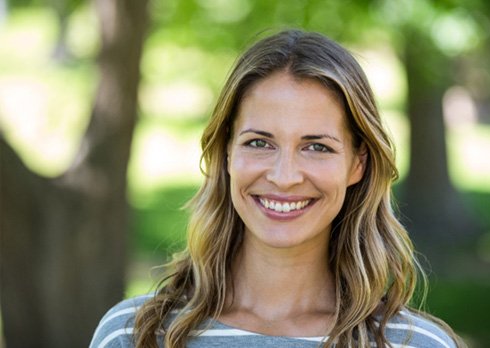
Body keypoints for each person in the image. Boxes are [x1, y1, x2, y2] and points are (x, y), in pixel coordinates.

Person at [90, 29, 464, 348]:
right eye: (259, 142)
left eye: (317, 147)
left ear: (357, 164)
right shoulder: (134, 333)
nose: (285, 177)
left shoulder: (415, 344)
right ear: (226, 153)